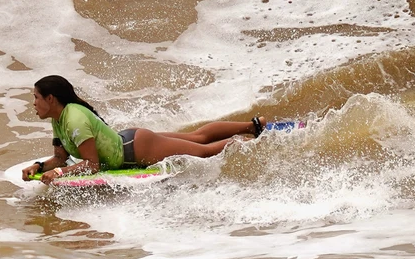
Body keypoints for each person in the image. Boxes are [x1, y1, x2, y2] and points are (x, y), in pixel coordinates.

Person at [22, 75, 268, 184]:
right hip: (131, 140)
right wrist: (40, 167)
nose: (33, 103)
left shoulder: (74, 120)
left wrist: (60, 175)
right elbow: (60, 158)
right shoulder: (58, 119)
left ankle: (251, 139)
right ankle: (254, 125)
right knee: (197, 138)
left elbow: (91, 165)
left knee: (203, 150)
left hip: (137, 149)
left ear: (51, 99)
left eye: (36, 98)